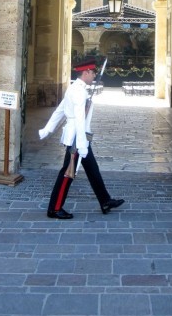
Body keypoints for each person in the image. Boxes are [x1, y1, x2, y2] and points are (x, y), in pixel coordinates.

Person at [39, 57, 125, 219]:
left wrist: (47, 129)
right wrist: (81, 145)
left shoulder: (76, 88)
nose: (94, 76)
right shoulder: (78, 91)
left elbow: (59, 110)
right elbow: (79, 118)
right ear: (86, 72)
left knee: (93, 169)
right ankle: (55, 208)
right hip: (77, 139)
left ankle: (105, 200)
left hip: (80, 137)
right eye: (92, 72)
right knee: (68, 172)